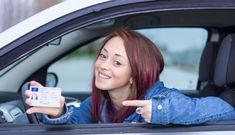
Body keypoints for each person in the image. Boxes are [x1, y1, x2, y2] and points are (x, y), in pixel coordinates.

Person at [25, 28, 235, 125]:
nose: (102, 66)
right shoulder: (99, 103)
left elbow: (225, 109)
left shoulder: (162, 98)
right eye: (102, 56)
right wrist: (58, 112)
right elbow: (75, 123)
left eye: (117, 62)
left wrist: (162, 111)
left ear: (135, 73)